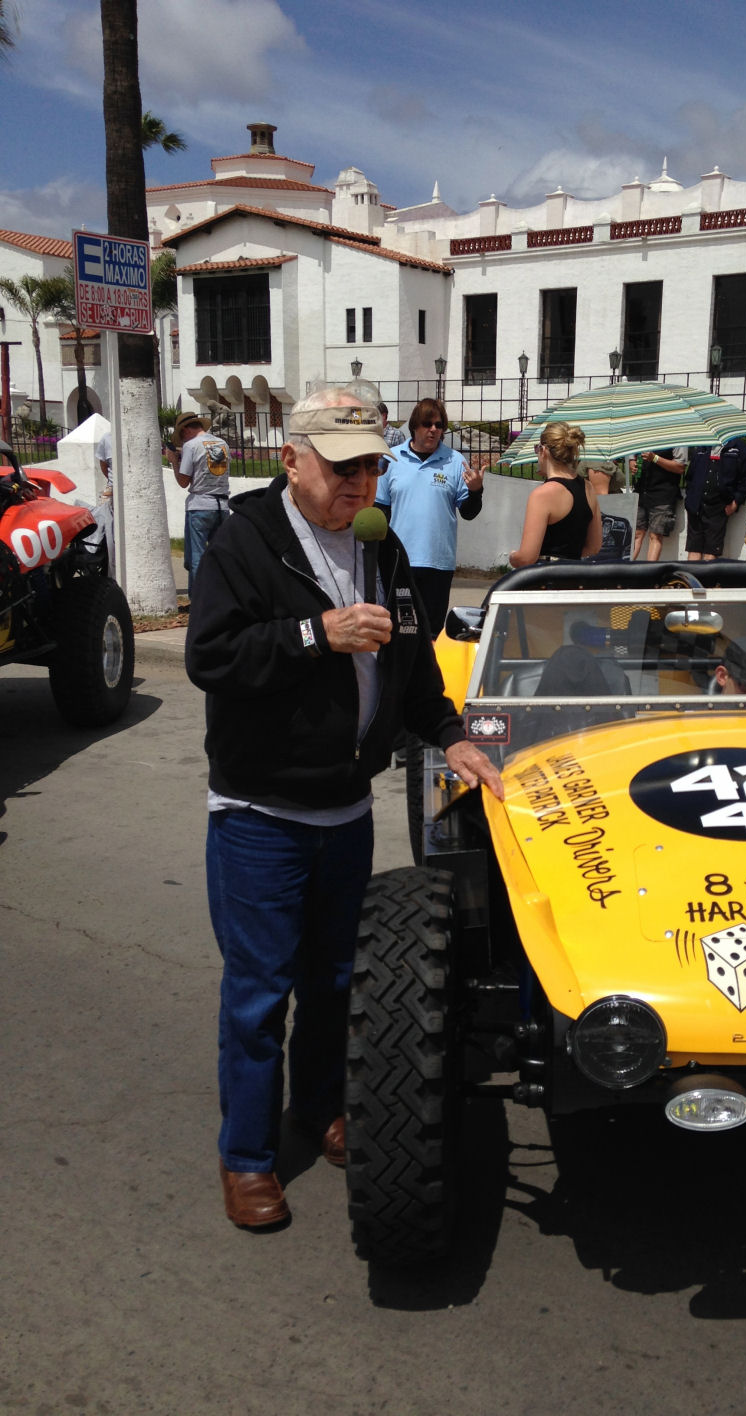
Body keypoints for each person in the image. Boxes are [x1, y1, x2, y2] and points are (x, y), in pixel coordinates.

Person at [185, 388, 504, 1230]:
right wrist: (313, 636)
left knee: (335, 981)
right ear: (292, 461)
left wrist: (451, 735)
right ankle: (247, 1157)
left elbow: (414, 665)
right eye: (342, 467)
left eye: (369, 465)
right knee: (260, 995)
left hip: (345, 809)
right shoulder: (245, 540)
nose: (360, 483)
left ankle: (321, 1107)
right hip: (261, 812)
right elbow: (210, 656)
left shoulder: (380, 545)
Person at [374, 397, 484, 637]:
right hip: (400, 562)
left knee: (431, 634)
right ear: (415, 425)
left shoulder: (455, 461)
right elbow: (380, 511)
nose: (433, 429)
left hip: (438, 563)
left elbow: (469, 512)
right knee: (398, 632)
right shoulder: (391, 458)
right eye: (427, 424)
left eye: (439, 425)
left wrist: (476, 491)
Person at [509, 422, 602, 566]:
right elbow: (594, 547)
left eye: (536, 448)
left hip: (546, 574)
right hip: (575, 574)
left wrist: (513, 556)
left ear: (543, 450)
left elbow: (526, 558)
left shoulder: (543, 494)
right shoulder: (587, 487)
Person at [164, 410, 231, 597]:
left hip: (200, 506)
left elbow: (183, 481)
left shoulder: (191, 446)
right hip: (222, 505)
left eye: (182, 436)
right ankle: (221, 596)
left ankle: (198, 600)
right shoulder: (222, 444)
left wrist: (174, 462)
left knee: (197, 557)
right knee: (221, 556)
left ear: (186, 430)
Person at [684, 436, 746, 561]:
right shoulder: (702, 446)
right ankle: (690, 574)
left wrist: (736, 501)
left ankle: (708, 575)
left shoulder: (739, 448)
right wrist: (690, 499)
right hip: (696, 506)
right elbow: (690, 476)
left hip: (719, 507)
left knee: (711, 551)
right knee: (694, 549)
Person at [632, 447, 686, 561]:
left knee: (655, 536)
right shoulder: (643, 437)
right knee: (635, 534)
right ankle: (626, 569)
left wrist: (655, 458)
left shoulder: (677, 440)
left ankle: (650, 571)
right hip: (641, 492)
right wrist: (631, 462)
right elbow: (631, 453)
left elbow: (680, 467)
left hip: (663, 495)